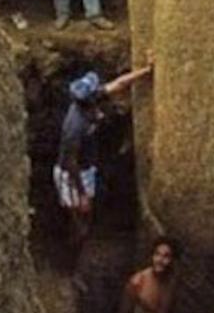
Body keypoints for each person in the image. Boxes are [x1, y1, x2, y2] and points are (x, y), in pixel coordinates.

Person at [54, 64, 152, 253]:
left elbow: (120, 84)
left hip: (87, 165)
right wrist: (81, 194)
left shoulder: (91, 99)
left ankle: (82, 234)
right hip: (71, 174)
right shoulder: (74, 127)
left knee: (86, 211)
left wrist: (146, 71)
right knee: (78, 213)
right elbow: (70, 162)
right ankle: (74, 247)